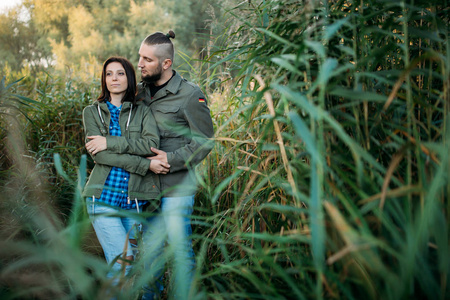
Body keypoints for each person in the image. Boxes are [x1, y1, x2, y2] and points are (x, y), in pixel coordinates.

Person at [81, 56, 163, 289]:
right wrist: (144, 165)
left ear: (130, 78)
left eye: (120, 73)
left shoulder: (142, 112)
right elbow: (100, 156)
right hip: (103, 198)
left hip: (132, 200)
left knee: (132, 264)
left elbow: (150, 145)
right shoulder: (92, 112)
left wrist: (109, 141)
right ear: (104, 79)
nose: (114, 78)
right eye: (109, 74)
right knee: (121, 264)